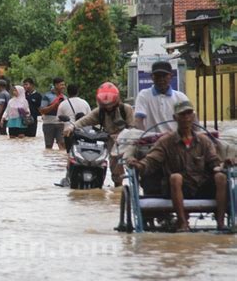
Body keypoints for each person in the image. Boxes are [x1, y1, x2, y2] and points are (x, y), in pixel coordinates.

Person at [127, 101, 227, 232]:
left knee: (221, 177)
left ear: (193, 116)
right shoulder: (166, 142)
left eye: (189, 113)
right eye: (182, 114)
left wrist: (223, 165)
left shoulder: (204, 141)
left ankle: (221, 223)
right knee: (175, 177)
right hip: (177, 187)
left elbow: (214, 162)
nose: (186, 117)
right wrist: (138, 165)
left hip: (200, 185)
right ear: (175, 118)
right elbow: (151, 161)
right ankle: (182, 223)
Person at [63, 82, 134, 187]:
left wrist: (122, 135)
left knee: (134, 167)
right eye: (106, 106)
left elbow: (133, 128)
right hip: (111, 142)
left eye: (111, 105)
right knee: (116, 171)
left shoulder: (126, 109)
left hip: (128, 142)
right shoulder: (99, 112)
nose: (108, 108)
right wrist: (71, 127)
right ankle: (118, 190)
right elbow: (84, 120)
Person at [134, 60, 190, 132]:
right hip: (152, 140)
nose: (161, 79)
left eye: (164, 76)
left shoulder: (180, 97)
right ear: (152, 77)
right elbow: (138, 120)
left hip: (175, 140)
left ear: (171, 76)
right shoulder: (144, 95)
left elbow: (192, 119)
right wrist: (142, 137)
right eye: (158, 76)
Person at [57, 84, 91, 152]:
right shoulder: (85, 103)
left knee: (69, 153)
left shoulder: (63, 104)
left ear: (67, 92)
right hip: (83, 132)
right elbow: (90, 118)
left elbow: (58, 119)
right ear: (78, 92)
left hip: (68, 133)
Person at [39, 77, 67, 150]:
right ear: (56, 85)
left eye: (64, 85)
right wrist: (54, 105)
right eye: (61, 85)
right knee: (48, 147)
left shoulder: (65, 97)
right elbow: (42, 110)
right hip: (48, 123)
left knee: (62, 146)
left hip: (61, 124)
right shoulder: (47, 96)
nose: (63, 87)